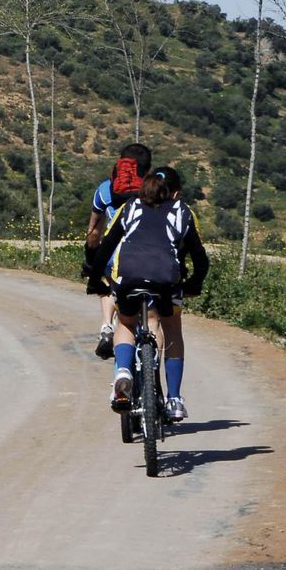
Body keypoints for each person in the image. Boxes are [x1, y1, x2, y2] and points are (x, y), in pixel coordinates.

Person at [89, 166, 208, 423]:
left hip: (129, 276)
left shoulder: (129, 207)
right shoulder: (183, 212)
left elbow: (105, 247)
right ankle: (174, 399)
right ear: (174, 193)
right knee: (172, 328)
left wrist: (95, 281)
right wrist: (194, 283)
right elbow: (200, 258)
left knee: (127, 323)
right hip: (167, 279)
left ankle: (123, 371)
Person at [83, 143, 152, 359]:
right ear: (147, 169)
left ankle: (106, 327)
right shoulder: (155, 189)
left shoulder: (105, 189)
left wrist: (91, 258)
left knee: (106, 279)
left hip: (116, 257)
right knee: (154, 317)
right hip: (151, 256)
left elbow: (94, 232)